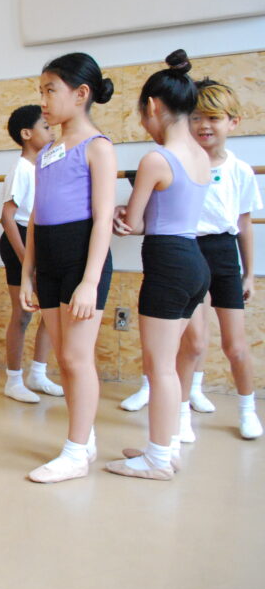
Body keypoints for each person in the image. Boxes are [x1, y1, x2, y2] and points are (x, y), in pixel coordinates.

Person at [107, 50, 210, 480]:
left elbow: (133, 223)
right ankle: (163, 449)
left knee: (159, 366)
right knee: (166, 363)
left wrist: (117, 215)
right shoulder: (202, 156)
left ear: (153, 107)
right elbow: (162, 214)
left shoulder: (156, 159)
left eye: (143, 116)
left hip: (168, 264)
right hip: (193, 261)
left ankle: (156, 459)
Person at [20, 53, 116, 484]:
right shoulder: (48, 152)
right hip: (51, 262)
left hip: (82, 260)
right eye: (41, 90)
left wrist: (90, 281)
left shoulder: (98, 148)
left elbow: (102, 219)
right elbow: (38, 214)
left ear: (81, 94)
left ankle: (76, 452)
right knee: (64, 357)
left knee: (77, 359)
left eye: (50, 90)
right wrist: (27, 272)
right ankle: (85, 436)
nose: (43, 99)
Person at [0, 106, 62, 402]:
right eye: (46, 128)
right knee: (23, 314)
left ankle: (38, 373)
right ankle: (13, 379)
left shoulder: (44, 167)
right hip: (20, 241)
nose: (52, 132)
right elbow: (8, 217)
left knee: (50, 311)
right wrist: (26, 260)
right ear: (27, 134)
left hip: (42, 239)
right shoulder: (21, 168)